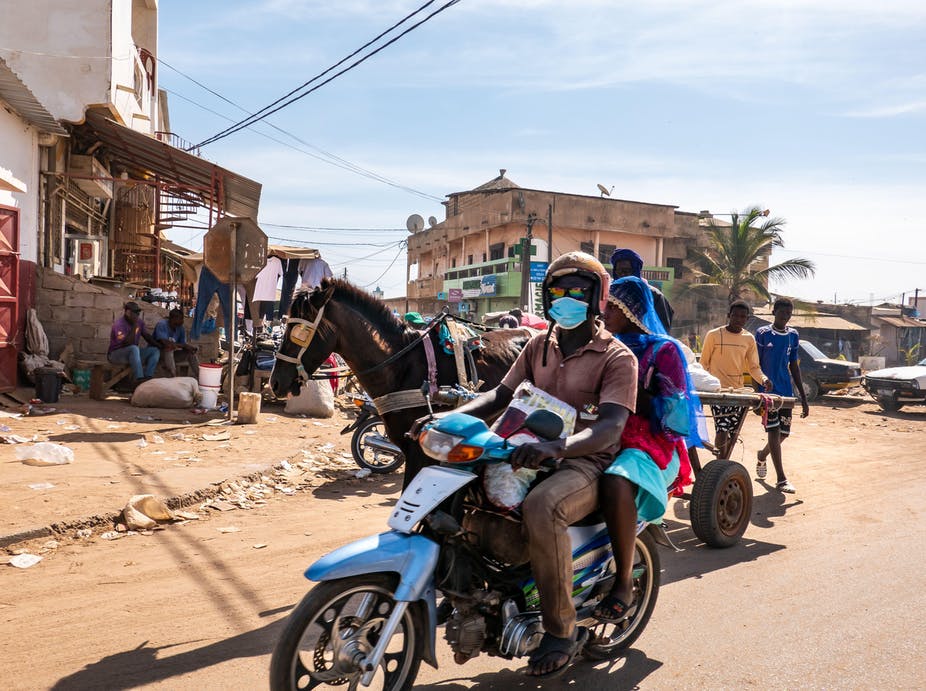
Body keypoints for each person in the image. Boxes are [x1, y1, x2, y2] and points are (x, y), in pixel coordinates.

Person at [412, 252, 638, 678]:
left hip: (583, 463)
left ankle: (561, 631)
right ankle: (463, 585)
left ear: (597, 298)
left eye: (577, 292)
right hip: (523, 448)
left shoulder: (617, 356)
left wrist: (557, 448)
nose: (566, 298)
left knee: (542, 506)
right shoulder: (538, 345)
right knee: (459, 482)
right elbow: (499, 396)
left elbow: (610, 427)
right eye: (558, 291)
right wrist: (444, 420)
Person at [596, 276, 703, 623]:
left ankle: (623, 583)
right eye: (606, 306)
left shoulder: (663, 351)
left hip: (649, 443)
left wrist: (628, 393)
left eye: (614, 307)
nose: (606, 313)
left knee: (615, 481)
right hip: (602, 433)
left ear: (632, 310)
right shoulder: (601, 345)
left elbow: (675, 418)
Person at [700, 301, 771, 458]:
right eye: (735, 315)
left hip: (738, 392)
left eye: (742, 316)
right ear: (729, 316)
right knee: (722, 429)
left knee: (733, 432)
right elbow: (703, 364)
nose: (738, 319)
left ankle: (723, 464)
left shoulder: (749, 339)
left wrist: (764, 380)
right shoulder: (713, 335)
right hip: (717, 392)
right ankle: (720, 464)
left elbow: (753, 367)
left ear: (747, 319)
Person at [754, 298, 809, 493]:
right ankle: (781, 479)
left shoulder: (793, 335)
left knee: (784, 433)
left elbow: (794, 366)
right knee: (774, 431)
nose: (786, 315)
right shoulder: (762, 333)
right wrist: (757, 394)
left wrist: (803, 398)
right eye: (782, 312)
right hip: (767, 394)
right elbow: (755, 364)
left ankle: (762, 454)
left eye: (789, 312)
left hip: (786, 393)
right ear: (774, 312)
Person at [609, 248, 674, 332]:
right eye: (619, 271)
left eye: (626, 271)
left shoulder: (654, 295)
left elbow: (663, 327)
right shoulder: (610, 295)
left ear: (636, 270)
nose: (623, 274)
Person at [108, 301, 159, 383]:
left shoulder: (139, 322)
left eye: (138, 313)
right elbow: (127, 343)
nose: (138, 315)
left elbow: (146, 336)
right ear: (128, 312)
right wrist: (134, 325)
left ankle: (148, 377)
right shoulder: (119, 324)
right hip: (116, 355)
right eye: (135, 313)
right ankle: (139, 378)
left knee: (155, 351)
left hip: (132, 354)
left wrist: (159, 345)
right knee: (134, 348)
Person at [153, 308, 200, 379]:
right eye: (180, 318)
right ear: (173, 318)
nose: (182, 321)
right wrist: (184, 345)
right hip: (158, 354)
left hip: (172, 355)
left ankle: (200, 377)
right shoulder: (162, 324)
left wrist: (189, 348)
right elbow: (165, 343)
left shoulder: (181, 328)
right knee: (169, 348)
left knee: (191, 353)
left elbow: (182, 344)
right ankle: (173, 377)